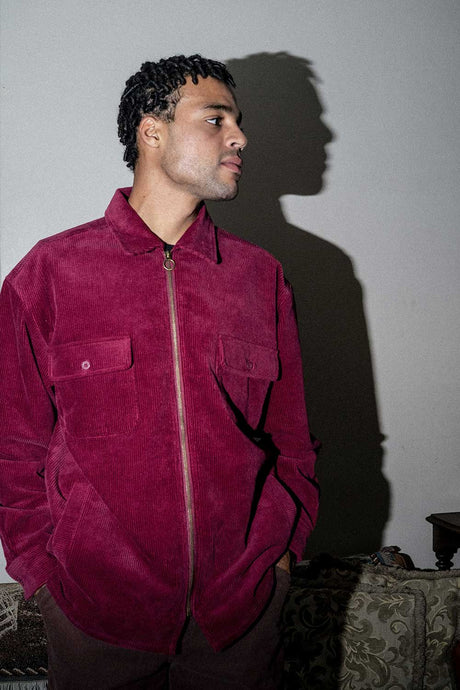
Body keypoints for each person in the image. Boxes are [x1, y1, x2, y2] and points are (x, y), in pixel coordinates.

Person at [0, 54, 319, 689]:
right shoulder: (49, 274)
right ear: (152, 130)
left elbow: (293, 441)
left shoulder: (260, 277)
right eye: (217, 119)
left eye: (238, 121)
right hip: (96, 618)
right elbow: (13, 444)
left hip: (240, 618)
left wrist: (281, 558)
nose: (240, 137)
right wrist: (44, 574)